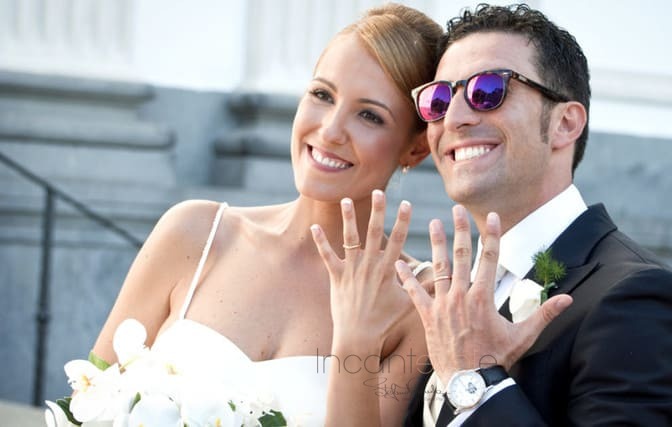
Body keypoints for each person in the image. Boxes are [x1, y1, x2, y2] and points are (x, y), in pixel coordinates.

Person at [90, 4, 442, 426]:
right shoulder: (194, 233)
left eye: (370, 115)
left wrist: (356, 340)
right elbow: (88, 401)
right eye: (322, 95)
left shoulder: (419, 303)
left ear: (416, 148)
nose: (329, 130)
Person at [396, 3, 672, 426]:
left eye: (488, 90)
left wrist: (475, 379)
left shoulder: (641, 298)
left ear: (565, 123)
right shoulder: (451, 298)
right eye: (437, 100)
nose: (453, 118)